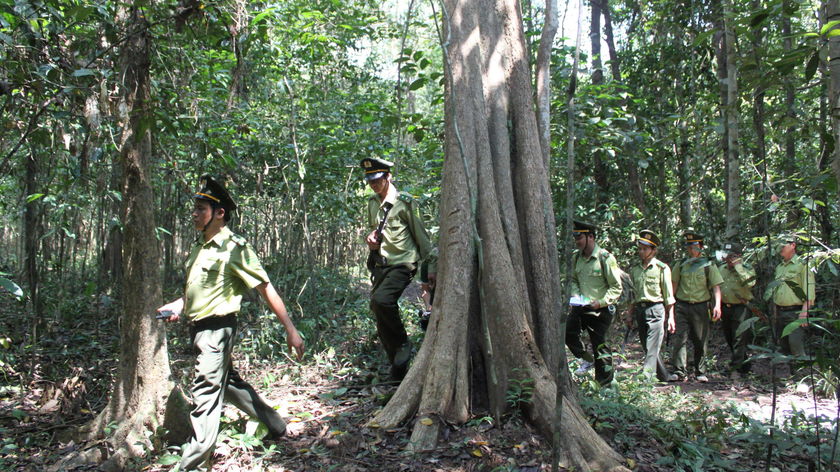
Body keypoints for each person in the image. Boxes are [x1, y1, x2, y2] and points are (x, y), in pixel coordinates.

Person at [157, 175, 305, 472]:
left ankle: (191, 466)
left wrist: (291, 328)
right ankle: (275, 425)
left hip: (217, 332)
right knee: (228, 385)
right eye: (195, 208)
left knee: (205, 400)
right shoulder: (201, 245)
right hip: (198, 331)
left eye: (201, 209)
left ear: (219, 213)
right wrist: (179, 304)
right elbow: (201, 288)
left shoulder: (235, 247)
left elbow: (265, 288)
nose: (195, 214)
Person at [362, 157, 436, 380]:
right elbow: (376, 231)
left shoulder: (405, 202)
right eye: (370, 181)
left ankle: (403, 344)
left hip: (403, 263)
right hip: (381, 266)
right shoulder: (373, 203)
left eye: (377, 180)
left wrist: (430, 265)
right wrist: (370, 239)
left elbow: (421, 237)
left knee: (381, 301)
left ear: (388, 177)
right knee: (378, 310)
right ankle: (398, 369)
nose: (373, 185)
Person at [567, 220, 623, 387]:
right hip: (581, 307)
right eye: (575, 238)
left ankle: (604, 384)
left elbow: (616, 287)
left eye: (580, 238)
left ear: (590, 237)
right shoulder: (576, 257)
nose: (577, 242)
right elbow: (573, 279)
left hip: (601, 310)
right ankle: (586, 358)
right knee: (567, 332)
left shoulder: (605, 258)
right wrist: (577, 296)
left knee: (601, 347)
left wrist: (601, 302)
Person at [623, 230, 678, 382]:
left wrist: (670, 318)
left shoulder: (662, 268)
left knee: (652, 346)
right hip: (641, 311)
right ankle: (664, 375)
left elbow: (668, 296)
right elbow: (632, 297)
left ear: (654, 250)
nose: (641, 252)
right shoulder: (635, 269)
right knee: (648, 348)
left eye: (645, 249)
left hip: (656, 310)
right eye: (640, 248)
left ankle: (646, 379)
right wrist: (629, 315)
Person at [671, 229, 723, 382]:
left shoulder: (708, 265)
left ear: (700, 246)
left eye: (695, 246)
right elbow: (673, 287)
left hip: (700, 307)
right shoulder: (681, 265)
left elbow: (716, 287)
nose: (692, 250)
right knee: (680, 338)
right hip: (682, 306)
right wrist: (669, 308)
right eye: (689, 247)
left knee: (700, 339)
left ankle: (700, 372)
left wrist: (717, 305)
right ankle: (679, 371)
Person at [766, 235, 815, 359]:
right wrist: (776, 314)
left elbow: (809, 292)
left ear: (793, 245)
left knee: (795, 344)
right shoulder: (779, 267)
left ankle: (802, 375)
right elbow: (777, 292)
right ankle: (793, 375)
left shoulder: (802, 265)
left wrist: (804, 314)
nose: (780, 248)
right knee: (785, 346)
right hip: (781, 312)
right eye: (779, 245)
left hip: (796, 312)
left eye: (784, 245)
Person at [718, 241, 756, 380]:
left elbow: (750, 282)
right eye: (726, 256)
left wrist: (738, 266)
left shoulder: (747, 268)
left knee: (739, 338)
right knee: (730, 338)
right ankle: (745, 366)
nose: (728, 259)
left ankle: (736, 369)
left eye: (731, 256)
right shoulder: (721, 268)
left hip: (741, 308)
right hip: (725, 307)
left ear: (738, 256)